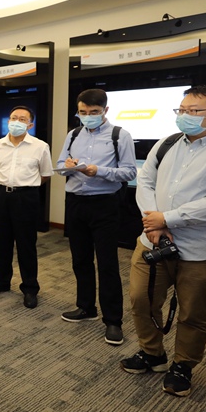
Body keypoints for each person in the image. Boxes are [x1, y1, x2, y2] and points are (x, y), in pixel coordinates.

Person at [121, 85, 206, 397]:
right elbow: (145, 181)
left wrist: (168, 219)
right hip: (152, 241)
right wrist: (153, 222)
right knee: (141, 299)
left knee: (192, 312)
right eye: (181, 110)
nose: (184, 116)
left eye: (193, 111)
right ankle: (152, 353)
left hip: (201, 249)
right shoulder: (167, 143)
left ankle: (183, 364)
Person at [56, 89, 137, 346]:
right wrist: (67, 167)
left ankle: (113, 320)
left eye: (94, 112)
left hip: (105, 204)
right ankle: (86, 307)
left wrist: (99, 171)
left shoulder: (120, 135)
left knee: (107, 263)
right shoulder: (73, 134)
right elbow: (60, 165)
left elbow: (129, 172)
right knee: (80, 259)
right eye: (83, 112)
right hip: (75, 202)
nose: (87, 116)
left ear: (105, 110)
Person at [0, 106, 53, 309]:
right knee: (2, 241)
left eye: (22, 119)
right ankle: (2, 281)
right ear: (8, 121)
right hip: (1, 195)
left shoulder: (40, 146)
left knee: (26, 243)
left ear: (30, 125)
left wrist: (26, 187)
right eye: (13, 118)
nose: (16, 121)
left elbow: (45, 174)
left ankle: (30, 287)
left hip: (26, 197)